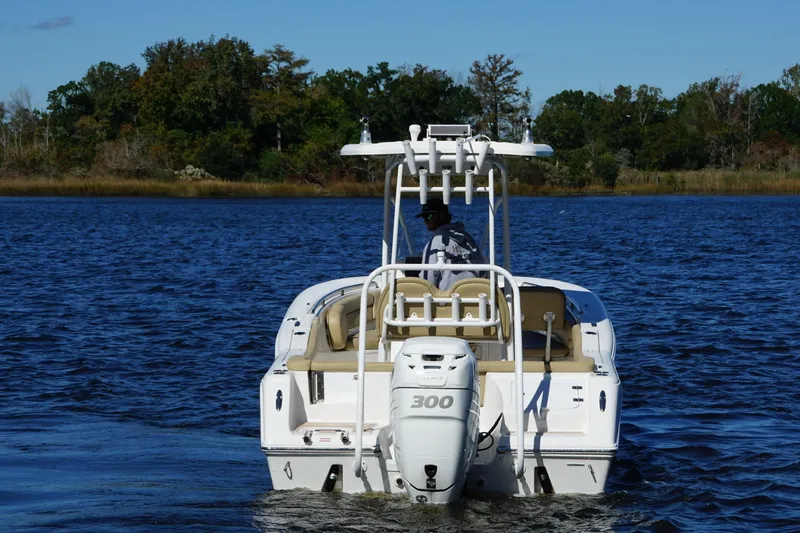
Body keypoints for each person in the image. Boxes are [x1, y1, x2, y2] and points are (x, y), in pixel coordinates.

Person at [415, 199, 486, 291]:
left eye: (428, 216)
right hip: (475, 300)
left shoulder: (433, 244)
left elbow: (427, 283)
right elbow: (483, 271)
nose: (425, 221)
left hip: (448, 303)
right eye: (423, 217)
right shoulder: (468, 238)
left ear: (442, 215)